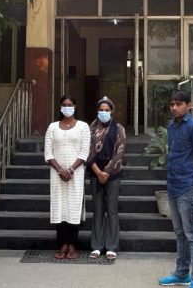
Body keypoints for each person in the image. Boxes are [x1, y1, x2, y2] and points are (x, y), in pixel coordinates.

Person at [158, 90, 193, 288]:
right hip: (173, 185)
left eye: (179, 104)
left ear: (189, 105)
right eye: (172, 104)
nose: (174, 108)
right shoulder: (172, 127)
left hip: (188, 187)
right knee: (180, 234)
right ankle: (181, 273)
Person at [44, 95, 91, 260]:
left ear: (75, 106)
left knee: (73, 208)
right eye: (64, 104)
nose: (67, 107)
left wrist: (70, 170)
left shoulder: (83, 127)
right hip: (56, 175)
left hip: (76, 174)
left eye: (70, 104)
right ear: (60, 107)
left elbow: (85, 151)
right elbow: (48, 153)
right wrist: (60, 170)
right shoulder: (52, 127)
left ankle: (72, 244)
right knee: (59, 208)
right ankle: (62, 244)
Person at [86, 96, 126, 260]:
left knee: (112, 209)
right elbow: (87, 151)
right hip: (95, 172)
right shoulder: (90, 128)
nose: (104, 112)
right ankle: (96, 246)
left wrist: (106, 172)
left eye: (107, 110)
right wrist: (98, 172)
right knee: (97, 209)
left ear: (112, 111)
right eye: (101, 110)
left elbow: (120, 151)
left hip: (113, 173)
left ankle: (111, 246)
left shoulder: (119, 128)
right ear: (97, 111)